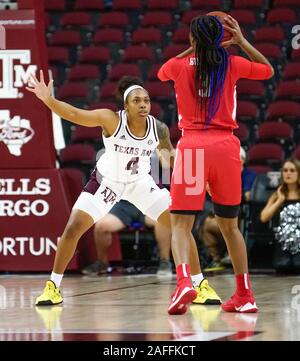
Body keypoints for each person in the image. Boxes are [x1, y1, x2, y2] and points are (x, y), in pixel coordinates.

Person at [27, 74, 220, 306]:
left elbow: (170, 159)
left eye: (146, 101)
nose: (143, 105)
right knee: (73, 228)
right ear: (126, 106)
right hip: (108, 182)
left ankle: (199, 286)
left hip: (140, 183)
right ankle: (53, 287)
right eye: (137, 101)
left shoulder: (158, 128)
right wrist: (49, 100)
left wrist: (200, 177)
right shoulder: (110, 120)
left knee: (180, 226)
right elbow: (75, 114)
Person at [158, 14, 273, 314]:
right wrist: (243, 42)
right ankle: (245, 295)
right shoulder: (232, 63)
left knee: (181, 225)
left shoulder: (179, 66)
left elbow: (160, 72)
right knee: (230, 227)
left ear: (193, 39)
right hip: (225, 147)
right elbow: (268, 70)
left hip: (194, 146)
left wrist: (192, 50)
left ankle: (185, 281)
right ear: (222, 38)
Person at [82, 200, 173, 277]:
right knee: (101, 226)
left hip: (148, 201)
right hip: (123, 205)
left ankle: (165, 261)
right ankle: (102, 263)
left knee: (163, 220)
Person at [202, 146, 256, 269]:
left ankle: (234, 257)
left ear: (243, 160)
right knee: (206, 224)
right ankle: (216, 259)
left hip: (241, 213)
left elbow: (247, 195)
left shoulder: (249, 174)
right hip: (221, 210)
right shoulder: (222, 173)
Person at [260, 158, 300, 271]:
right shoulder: (277, 195)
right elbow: (263, 217)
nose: (288, 173)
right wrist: (279, 201)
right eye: (285, 170)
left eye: (292, 170)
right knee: (282, 266)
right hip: (283, 243)